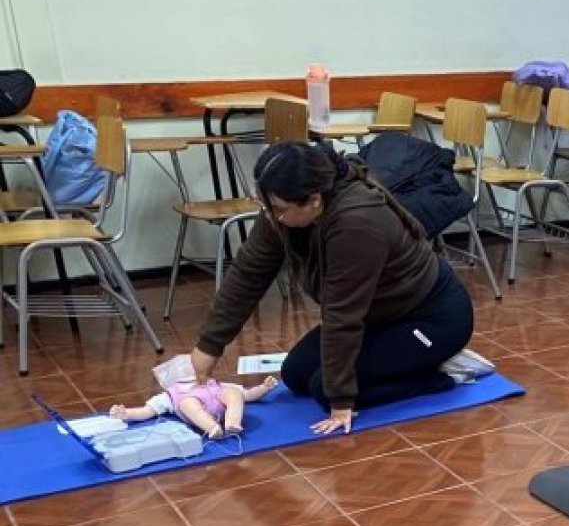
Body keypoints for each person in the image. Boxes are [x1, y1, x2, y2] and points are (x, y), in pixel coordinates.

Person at [190, 142, 482, 435]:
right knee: (295, 374)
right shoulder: (285, 206)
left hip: (432, 320)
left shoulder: (356, 223)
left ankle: (443, 374)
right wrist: (209, 345)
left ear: (314, 200)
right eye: (265, 206)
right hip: (380, 316)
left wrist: (341, 401)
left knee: (326, 389)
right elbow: (249, 270)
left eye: (277, 210)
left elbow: (343, 315)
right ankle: (395, 361)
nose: (270, 217)